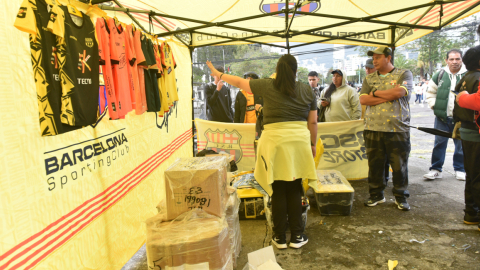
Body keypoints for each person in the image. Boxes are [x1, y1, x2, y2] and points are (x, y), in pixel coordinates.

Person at [206, 54, 318, 249]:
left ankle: (280, 237)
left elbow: (240, 82)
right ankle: (298, 236)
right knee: (294, 186)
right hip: (299, 143)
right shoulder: (306, 88)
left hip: (273, 142)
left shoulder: (268, 85)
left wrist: (219, 74)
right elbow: (313, 121)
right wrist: (313, 144)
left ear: (278, 69)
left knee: (277, 188)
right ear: (295, 70)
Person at [359, 47, 413, 211]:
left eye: (378, 57)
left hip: (397, 128)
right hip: (373, 128)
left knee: (399, 165)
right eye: (373, 58)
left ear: (388, 58)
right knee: (375, 164)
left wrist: (375, 94)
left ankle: (400, 196)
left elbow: (399, 92)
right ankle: (376, 194)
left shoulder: (404, 74)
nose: (374, 60)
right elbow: (363, 99)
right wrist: (385, 95)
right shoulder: (369, 78)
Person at [424, 49, 467, 181]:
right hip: (442, 118)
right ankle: (436, 169)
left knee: (460, 145)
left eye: (457, 59)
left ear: (462, 60)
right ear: (446, 60)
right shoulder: (440, 74)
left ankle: (460, 169)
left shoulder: (468, 75)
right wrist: (434, 106)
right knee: (439, 144)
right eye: (452, 59)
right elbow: (431, 92)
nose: (455, 62)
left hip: (461, 119)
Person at [453, 45, 480, 229]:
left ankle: (471, 214)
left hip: (466, 131)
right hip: (476, 132)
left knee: (472, 175)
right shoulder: (478, 78)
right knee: (477, 176)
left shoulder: (463, 78)